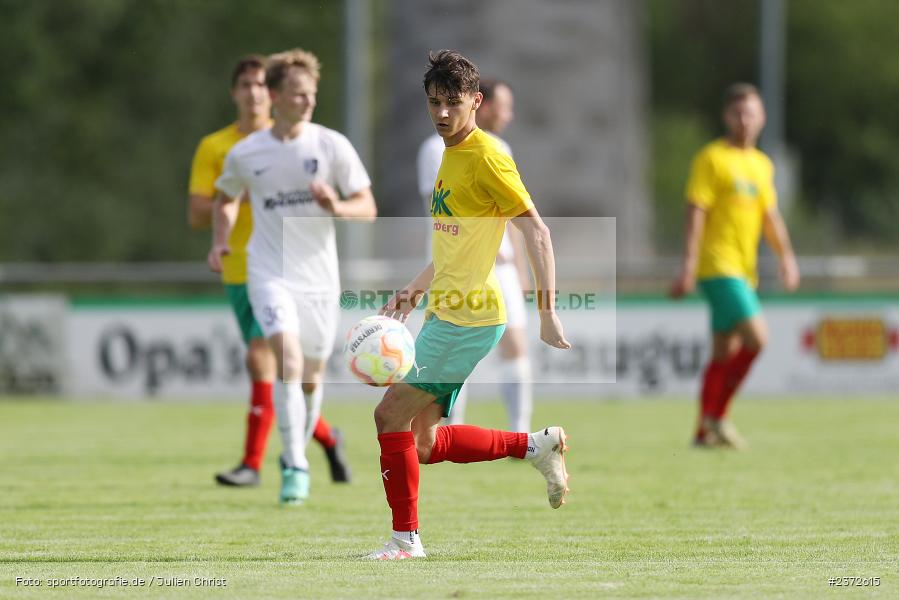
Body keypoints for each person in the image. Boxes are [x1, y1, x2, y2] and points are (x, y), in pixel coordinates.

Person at [365, 50, 571, 560]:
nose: (441, 113)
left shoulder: (487, 157)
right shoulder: (448, 157)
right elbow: (451, 244)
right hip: (447, 311)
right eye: (434, 102)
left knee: (389, 415)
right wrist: (415, 289)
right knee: (425, 443)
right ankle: (536, 446)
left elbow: (537, 233)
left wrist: (547, 311)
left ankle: (405, 540)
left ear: (476, 102)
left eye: (452, 103)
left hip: (470, 317)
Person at [208, 48, 376, 504]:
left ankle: (295, 453)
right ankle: (295, 467)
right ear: (276, 95)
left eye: (313, 94)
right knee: (287, 358)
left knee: (311, 378)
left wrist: (336, 207)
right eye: (299, 94)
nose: (308, 102)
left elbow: (367, 204)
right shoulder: (247, 152)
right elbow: (225, 197)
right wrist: (220, 240)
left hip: (319, 278)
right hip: (269, 272)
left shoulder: (331, 145)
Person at [670, 83, 799, 448]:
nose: (744, 120)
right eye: (738, 113)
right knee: (757, 338)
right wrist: (689, 266)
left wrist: (787, 257)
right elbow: (696, 211)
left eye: (751, 113)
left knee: (723, 353)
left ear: (763, 118)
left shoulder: (761, 164)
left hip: (744, 270)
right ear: (727, 116)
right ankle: (717, 417)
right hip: (717, 267)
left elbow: (770, 216)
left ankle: (703, 431)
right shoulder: (712, 158)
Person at [415, 78, 533, 432]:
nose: (508, 114)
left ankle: (520, 429)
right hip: (455, 267)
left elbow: (513, 215)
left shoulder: (499, 149)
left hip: (502, 268)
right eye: (504, 106)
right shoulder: (435, 149)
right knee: (454, 355)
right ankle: (453, 427)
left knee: (515, 344)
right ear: (483, 103)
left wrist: (520, 268)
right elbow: (441, 210)